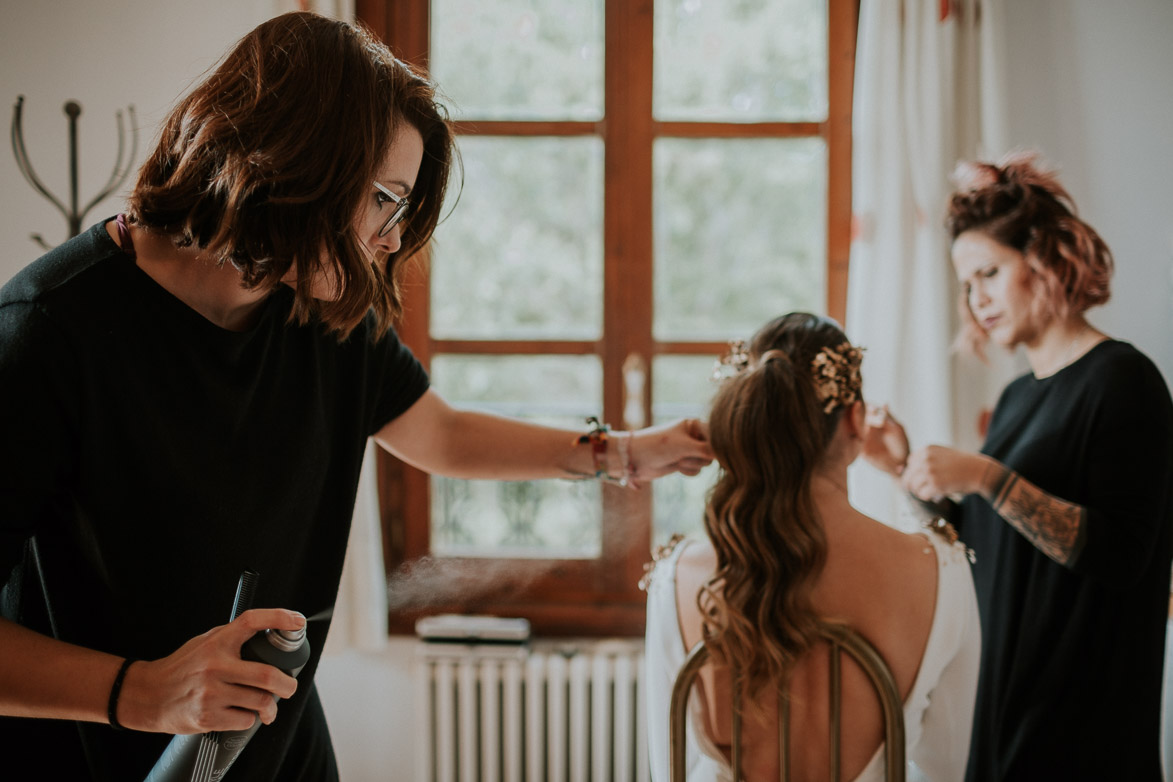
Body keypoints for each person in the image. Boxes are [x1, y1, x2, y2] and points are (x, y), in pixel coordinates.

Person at [0, 12, 713, 781]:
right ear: (297, 162)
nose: (392, 239)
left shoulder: (318, 307)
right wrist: (140, 693)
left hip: (285, 758)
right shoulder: (48, 331)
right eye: (384, 199)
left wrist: (627, 453)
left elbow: (440, 436)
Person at [862, 151, 1173, 781]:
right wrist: (904, 472)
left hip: (1086, 728)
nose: (976, 301)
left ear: (1043, 259)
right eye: (966, 286)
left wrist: (983, 475)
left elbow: (1120, 555)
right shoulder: (1016, 395)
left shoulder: (1123, 380)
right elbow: (993, 544)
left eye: (988, 274)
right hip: (1006, 708)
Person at [643, 312, 980, 782]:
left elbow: (668, 767)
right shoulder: (938, 568)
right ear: (856, 421)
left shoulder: (676, 574)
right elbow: (948, 767)